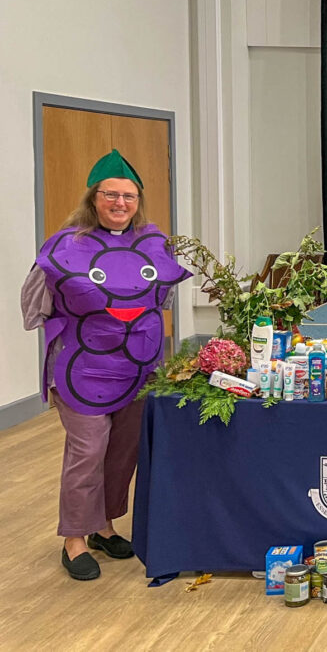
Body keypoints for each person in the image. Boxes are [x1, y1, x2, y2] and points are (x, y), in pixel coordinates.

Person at [21, 149, 191, 581]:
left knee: (122, 451)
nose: (120, 203)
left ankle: (104, 526)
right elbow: (36, 303)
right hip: (82, 367)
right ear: (93, 198)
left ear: (138, 201)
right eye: (110, 194)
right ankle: (74, 539)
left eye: (128, 196)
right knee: (88, 450)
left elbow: (163, 298)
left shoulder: (153, 244)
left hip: (137, 367)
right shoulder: (67, 246)